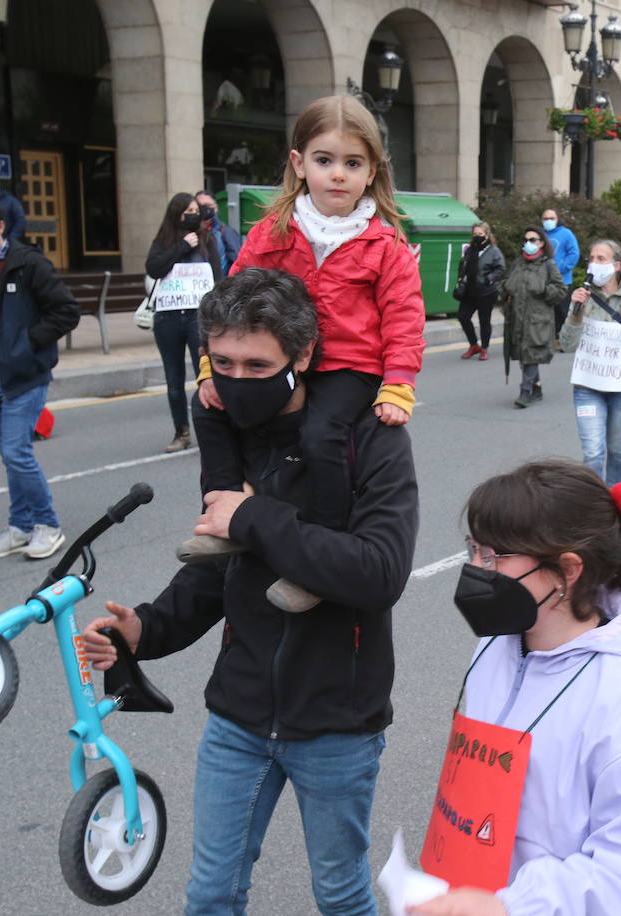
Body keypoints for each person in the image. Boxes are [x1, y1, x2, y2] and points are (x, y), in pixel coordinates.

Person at [81, 268, 419, 916]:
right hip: (237, 716)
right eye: (223, 361)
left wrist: (253, 516)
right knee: (211, 894)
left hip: (336, 723)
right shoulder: (230, 435)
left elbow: (379, 572)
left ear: (303, 356)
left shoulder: (369, 438)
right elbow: (220, 567)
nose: (235, 380)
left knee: (341, 894)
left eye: (256, 364)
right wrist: (146, 630)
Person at [412, 459, 621, 916]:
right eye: (473, 548)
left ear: (567, 570)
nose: (475, 567)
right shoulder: (499, 640)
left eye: (493, 555)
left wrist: (511, 907)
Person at [186, 93, 425, 614]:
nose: (337, 174)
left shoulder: (385, 245)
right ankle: (222, 513)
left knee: (321, 435)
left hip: (349, 369)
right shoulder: (270, 232)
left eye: (352, 163)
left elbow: (405, 318)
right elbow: (230, 299)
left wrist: (399, 381)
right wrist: (211, 365)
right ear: (299, 164)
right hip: (288, 360)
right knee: (209, 409)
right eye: (325, 160)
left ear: (371, 173)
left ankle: (319, 554)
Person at [0, 195, 78, 559]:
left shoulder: (27, 265)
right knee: (11, 457)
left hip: (23, 375)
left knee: (17, 452)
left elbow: (66, 311)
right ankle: (21, 526)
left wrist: (27, 344)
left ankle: (48, 524)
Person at [562, 240, 621, 483]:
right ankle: (597, 506)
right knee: (593, 453)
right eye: (591, 258)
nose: (594, 263)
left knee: (616, 449)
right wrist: (575, 312)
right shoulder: (583, 296)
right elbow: (566, 344)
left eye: (601, 258)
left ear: (617, 265)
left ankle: (615, 496)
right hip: (588, 387)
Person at [146, 192, 224, 452]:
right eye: (187, 211)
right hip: (168, 318)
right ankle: (181, 431)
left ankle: (213, 428)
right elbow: (154, 268)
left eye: (195, 210)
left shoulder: (207, 240)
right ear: (176, 214)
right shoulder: (164, 241)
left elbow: (216, 277)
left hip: (197, 317)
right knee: (174, 380)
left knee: (206, 373)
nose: (193, 214)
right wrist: (181, 246)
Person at [502, 226, 566, 407]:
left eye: (533, 240)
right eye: (526, 240)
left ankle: (525, 391)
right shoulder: (518, 263)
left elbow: (561, 290)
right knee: (525, 355)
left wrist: (545, 290)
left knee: (531, 353)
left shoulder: (548, 265)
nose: (528, 244)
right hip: (517, 317)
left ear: (541, 243)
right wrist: (504, 288)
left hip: (538, 320)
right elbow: (506, 284)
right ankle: (536, 388)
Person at [455, 221, 505, 361]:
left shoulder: (494, 251)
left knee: (484, 321)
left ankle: (484, 348)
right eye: (475, 234)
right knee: (463, 317)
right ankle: (473, 345)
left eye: (480, 234)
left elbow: (501, 268)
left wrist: (488, 278)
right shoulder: (470, 249)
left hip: (486, 292)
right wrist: (460, 279)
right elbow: (462, 265)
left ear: (487, 235)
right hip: (469, 291)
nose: (477, 236)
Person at [542, 208, 580, 338]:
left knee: (562, 311)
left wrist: (560, 268)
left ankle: (566, 338)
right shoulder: (541, 235)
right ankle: (553, 338)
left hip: (563, 281)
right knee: (548, 312)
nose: (548, 221)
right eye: (545, 219)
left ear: (557, 220)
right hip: (544, 281)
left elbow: (574, 254)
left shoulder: (566, 234)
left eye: (551, 218)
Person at [195, 190, 243, 273]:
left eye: (208, 205)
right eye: (199, 206)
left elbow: (238, 262)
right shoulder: (189, 233)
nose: (204, 210)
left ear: (216, 208)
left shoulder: (225, 231)